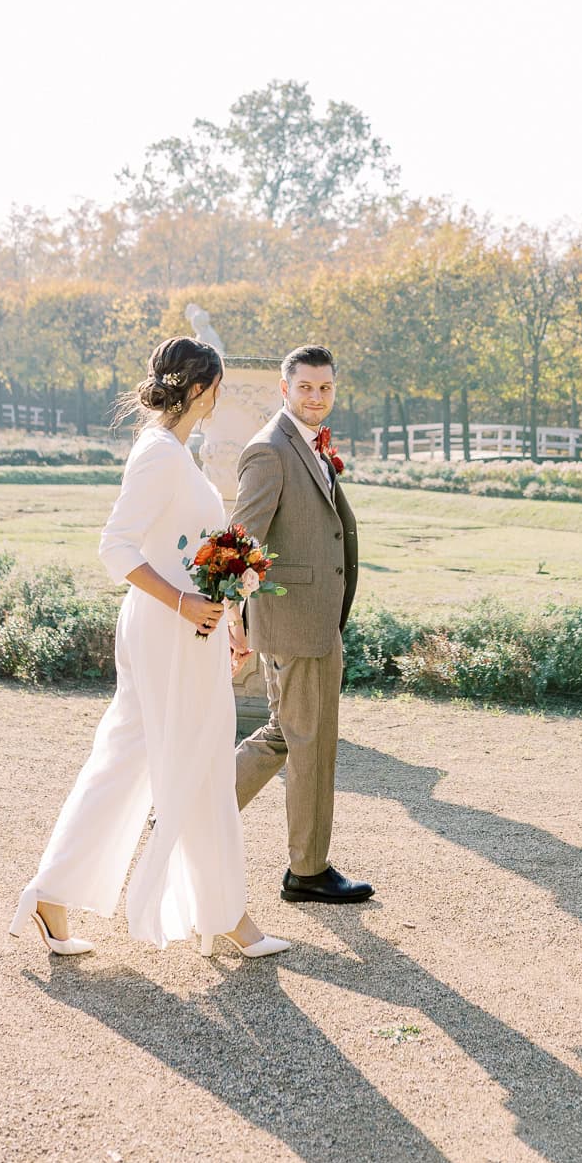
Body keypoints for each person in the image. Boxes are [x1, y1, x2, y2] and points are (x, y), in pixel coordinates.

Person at [9, 336, 289, 961]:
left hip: (190, 634)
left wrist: (233, 614)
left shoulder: (174, 452)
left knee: (131, 760)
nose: (219, 396)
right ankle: (228, 915)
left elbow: (195, 544)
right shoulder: (160, 454)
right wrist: (187, 602)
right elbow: (117, 547)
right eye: (216, 385)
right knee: (199, 763)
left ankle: (52, 894)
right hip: (169, 632)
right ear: (198, 389)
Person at [231, 344, 374, 904]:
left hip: (313, 620)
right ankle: (307, 871)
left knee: (285, 733)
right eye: (306, 388)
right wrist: (236, 623)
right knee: (310, 743)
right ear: (284, 390)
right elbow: (241, 541)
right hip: (295, 622)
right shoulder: (269, 449)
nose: (316, 398)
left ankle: (191, 812)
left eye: (325, 388)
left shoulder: (311, 445)